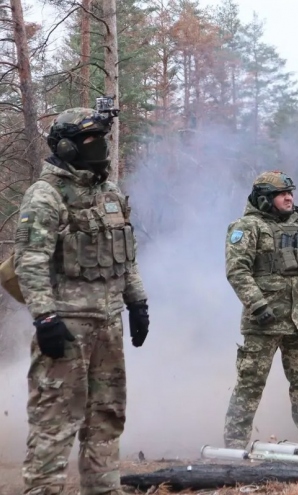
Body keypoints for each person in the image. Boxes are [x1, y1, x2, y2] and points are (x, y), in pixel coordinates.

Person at [12, 105, 150, 495]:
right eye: (91, 139)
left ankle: (103, 489)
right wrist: (45, 318)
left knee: (107, 417)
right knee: (54, 421)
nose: (100, 146)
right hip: (66, 325)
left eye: (102, 139)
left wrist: (137, 302)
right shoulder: (46, 195)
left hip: (108, 323)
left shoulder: (109, 192)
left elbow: (125, 254)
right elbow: (30, 261)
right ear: (67, 148)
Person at [223, 170, 298, 448]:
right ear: (265, 198)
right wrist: (257, 304)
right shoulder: (247, 227)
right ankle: (234, 443)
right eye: (282, 194)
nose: (289, 198)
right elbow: (237, 270)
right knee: (250, 382)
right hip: (264, 321)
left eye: (290, 193)